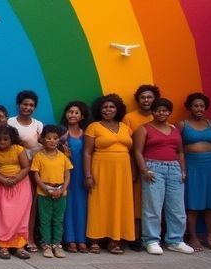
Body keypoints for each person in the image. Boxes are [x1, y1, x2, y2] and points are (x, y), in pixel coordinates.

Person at [133, 97, 193, 255]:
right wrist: (144, 170)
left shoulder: (174, 129)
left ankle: (175, 240)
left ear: (169, 112)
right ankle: (151, 240)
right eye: (158, 110)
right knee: (153, 206)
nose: (161, 113)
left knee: (177, 207)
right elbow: (138, 152)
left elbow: (180, 151)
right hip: (153, 168)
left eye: (165, 110)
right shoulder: (144, 128)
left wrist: (183, 170)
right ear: (152, 112)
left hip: (174, 168)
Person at [83, 93, 135, 254]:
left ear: (117, 109)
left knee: (120, 202)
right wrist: (88, 175)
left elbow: (131, 152)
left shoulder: (126, 127)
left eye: (111, 106)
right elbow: (87, 153)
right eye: (105, 107)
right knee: (99, 201)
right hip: (101, 169)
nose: (108, 110)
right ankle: (95, 239)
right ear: (99, 109)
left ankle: (115, 239)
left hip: (123, 171)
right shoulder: (94, 127)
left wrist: (133, 172)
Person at [179, 92, 211, 251]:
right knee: (193, 203)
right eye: (196, 106)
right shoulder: (182, 124)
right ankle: (193, 237)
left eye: (202, 106)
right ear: (189, 108)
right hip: (193, 166)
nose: (199, 108)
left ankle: (210, 237)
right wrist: (182, 168)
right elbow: (179, 149)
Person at [123, 84, 159, 250]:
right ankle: (135, 236)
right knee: (137, 201)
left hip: (158, 164)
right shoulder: (130, 118)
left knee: (155, 202)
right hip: (137, 162)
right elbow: (129, 145)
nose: (146, 100)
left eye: (149, 97)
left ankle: (154, 237)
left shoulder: (159, 116)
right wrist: (135, 169)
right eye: (143, 97)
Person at [0, 124, 31, 259]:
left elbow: (26, 167)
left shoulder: (18, 149)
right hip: (0, 186)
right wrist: (3, 180)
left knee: (20, 216)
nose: (2, 142)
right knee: (1, 216)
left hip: (20, 186)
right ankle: (2, 246)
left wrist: (15, 179)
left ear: (12, 139)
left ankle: (19, 246)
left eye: (6, 139)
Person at [8, 90, 43, 252]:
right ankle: (11, 237)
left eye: (31, 105)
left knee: (31, 205)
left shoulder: (38, 125)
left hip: (32, 170)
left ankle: (29, 237)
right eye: (25, 104)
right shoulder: (10, 123)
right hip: (14, 170)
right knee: (13, 205)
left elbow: (42, 147)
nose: (27, 107)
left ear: (34, 108)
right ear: (18, 105)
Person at [29, 125, 72, 259]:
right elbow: (36, 175)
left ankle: (57, 245)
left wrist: (63, 189)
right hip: (44, 192)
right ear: (42, 140)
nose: (52, 141)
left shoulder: (63, 156)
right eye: (48, 138)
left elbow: (67, 174)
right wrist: (46, 188)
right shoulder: (39, 156)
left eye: (55, 138)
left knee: (58, 220)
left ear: (59, 140)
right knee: (45, 220)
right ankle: (46, 245)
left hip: (61, 192)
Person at [59, 101, 89, 253]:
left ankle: (82, 239)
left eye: (76, 112)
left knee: (82, 206)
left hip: (82, 173)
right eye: (70, 112)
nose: (72, 115)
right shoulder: (62, 134)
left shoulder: (86, 134)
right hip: (66, 174)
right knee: (68, 206)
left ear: (82, 116)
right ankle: (69, 239)